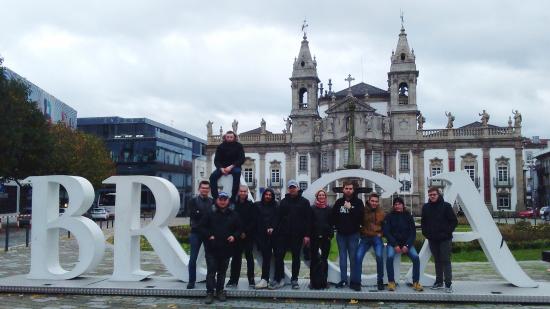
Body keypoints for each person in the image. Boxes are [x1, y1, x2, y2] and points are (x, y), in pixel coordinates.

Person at [198, 192, 241, 304]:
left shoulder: (234, 214)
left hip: (226, 248)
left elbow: (239, 229)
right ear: (217, 200)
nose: (222, 201)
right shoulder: (209, 213)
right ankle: (209, 293)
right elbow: (201, 227)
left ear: (228, 201)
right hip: (212, 248)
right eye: (220, 199)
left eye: (224, 199)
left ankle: (220, 291)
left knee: (222, 272)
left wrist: (234, 236)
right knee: (211, 271)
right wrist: (209, 235)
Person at [270, 180, 311, 290]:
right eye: (290, 187)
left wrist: (307, 235)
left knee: (296, 257)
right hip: (283, 234)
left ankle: (294, 279)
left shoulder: (304, 202)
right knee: (279, 256)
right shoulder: (283, 202)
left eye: (294, 187)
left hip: (297, 235)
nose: (292, 189)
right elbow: (278, 217)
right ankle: (279, 278)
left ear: (298, 188)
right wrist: (274, 229)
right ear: (288, 189)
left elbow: (308, 220)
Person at [421, 187, 458, 293]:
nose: (432, 196)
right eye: (430, 195)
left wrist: (447, 232)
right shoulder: (426, 207)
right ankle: (438, 282)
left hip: (445, 239)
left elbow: (454, 221)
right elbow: (423, 222)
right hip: (432, 239)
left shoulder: (446, 206)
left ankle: (448, 284)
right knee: (437, 261)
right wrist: (426, 233)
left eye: (434, 194)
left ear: (439, 195)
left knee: (445, 260)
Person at [384, 197, 422, 292]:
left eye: (399, 204)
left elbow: (413, 233)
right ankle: (391, 282)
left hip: (406, 244)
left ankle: (416, 282)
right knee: (389, 257)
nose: (397, 206)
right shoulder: (389, 216)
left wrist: (407, 245)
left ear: (403, 205)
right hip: (393, 244)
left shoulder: (408, 216)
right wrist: (395, 245)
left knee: (416, 258)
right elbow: (387, 232)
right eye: (395, 204)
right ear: (393, 206)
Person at [331, 180, 364, 289]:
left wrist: (350, 209)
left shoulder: (359, 203)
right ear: (343, 189)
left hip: (353, 235)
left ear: (353, 190)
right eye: (346, 188)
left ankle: (354, 281)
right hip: (341, 235)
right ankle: (344, 280)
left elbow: (361, 219)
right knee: (342, 258)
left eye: (350, 189)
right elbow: (333, 216)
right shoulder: (339, 202)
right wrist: (337, 226)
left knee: (353, 258)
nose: (348, 190)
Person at [353, 192, 385, 291]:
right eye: (372, 201)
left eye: (376, 201)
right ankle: (357, 282)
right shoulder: (364, 210)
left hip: (376, 237)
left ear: (378, 202)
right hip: (365, 237)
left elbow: (385, 225)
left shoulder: (381, 212)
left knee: (379, 256)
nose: (374, 203)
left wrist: (381, 234)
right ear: (369, 201)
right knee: (358, 257)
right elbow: (357, 221)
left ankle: (380, 281)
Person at [227, 185, 257, 288]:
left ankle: (251, 280)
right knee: (236, 259)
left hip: (248, 236)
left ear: (247, 192)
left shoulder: (251, 205)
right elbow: (231, 219)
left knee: (249, 258)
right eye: (241, 191)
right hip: (236, 235)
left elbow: (254, 221)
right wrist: (238, 233)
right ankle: (233, 280)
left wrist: (245, 232)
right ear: (238, 192)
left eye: (245, 191)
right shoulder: (233, 205)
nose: (243, 193)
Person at [186, 180, 213, 290]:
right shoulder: (192, 201)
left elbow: (213, 217)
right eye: (203, 188)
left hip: (208, 234)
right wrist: (205, 216)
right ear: (199, 189)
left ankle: (211, 280)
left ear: (209, 190)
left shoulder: (212, 201)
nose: (205, 190)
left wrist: (200, 214)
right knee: (193, 258)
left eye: (207, 188)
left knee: (210, 258)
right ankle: (191, 281)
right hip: (196, 233)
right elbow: (193, 215)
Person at [209, 131, 245, 201]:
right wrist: (221, 168)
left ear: (234, 138)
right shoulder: (220, 146)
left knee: (237, 173)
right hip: (222, 168)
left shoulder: (239, 146)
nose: (229, 138)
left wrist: (231, 167)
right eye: (228, 137)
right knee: (212, 177)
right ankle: (215, 197)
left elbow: (241, 159)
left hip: (234, 167)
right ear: (225, 137)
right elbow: (216, 160)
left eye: (231, 137)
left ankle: (233, 196)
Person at [254, 188, 278, 289]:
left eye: (270, 195)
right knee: (266, 258)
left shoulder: (276, 206)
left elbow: (278, 218)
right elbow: (257, 220)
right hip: (263, 236)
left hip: (276, 236)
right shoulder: (258, 205)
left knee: (278, 258)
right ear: (263, 195)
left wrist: (272, 227)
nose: (268, 196)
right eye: (266, 194)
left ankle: (278, 278)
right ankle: (265, 279)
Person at [309, 189, 333, 290]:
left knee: (324, 260)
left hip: (325, 238)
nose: (321, 197)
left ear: (325, 197)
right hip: (314, 237)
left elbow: (332, 223)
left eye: (323, 195)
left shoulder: (329, 209)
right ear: (317, 197)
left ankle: (324, 282)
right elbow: (309, 222)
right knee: (314, 260)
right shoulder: (312, 208)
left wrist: (330, 235)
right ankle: (313, 282)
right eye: (320, 195)